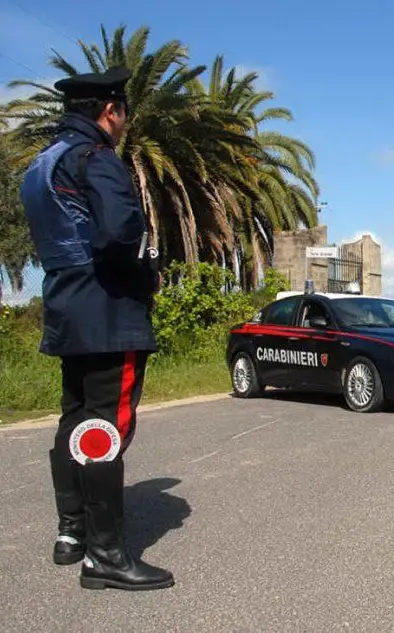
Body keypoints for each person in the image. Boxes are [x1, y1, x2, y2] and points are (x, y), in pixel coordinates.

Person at [19, 66, 174, 590]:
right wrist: (146, 275)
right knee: (107, 426)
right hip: (110, 312)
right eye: (124, 115)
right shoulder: (98, 160)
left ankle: (73, 533)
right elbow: (118, 234)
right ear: (111, 111)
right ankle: (105, 557)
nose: (124, 124)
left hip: (66, 306)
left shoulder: (43, 164)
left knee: (75, 418)